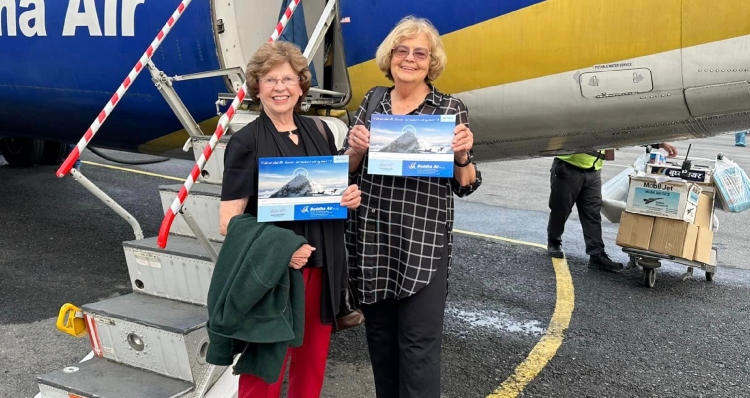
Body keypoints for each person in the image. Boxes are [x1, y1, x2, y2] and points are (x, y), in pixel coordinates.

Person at [340, 16, 482, 398]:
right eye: (402, 50)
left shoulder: (449, 108)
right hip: (373, 244)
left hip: (422, 245)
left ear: (431, 61)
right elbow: (346, 173)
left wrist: (463, 156)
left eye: (420, 53)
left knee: (418, 350)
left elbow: (466, 185)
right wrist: (354, 149)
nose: (410, 59)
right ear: (390, 56)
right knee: (382, 345)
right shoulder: (372, 101)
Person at [217, 40, 361, 398]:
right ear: (257, 87)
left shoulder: (321, 132)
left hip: (323, 267)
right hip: (275, 274)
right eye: (269, 80)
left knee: (311, 365)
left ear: (301, 85)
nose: (279, 88)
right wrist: (285, 250)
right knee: (265, 369)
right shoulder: (245, 142)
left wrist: (346, 197)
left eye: (287, 79)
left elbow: (325, 196)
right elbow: (228, 222)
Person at [546, 143, 678, 272]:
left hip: (593, 171)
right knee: (561, 209)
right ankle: (554, 243)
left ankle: (597, 256)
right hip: (568, 167)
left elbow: (625, 130)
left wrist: (659, 142)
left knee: (592, 214)